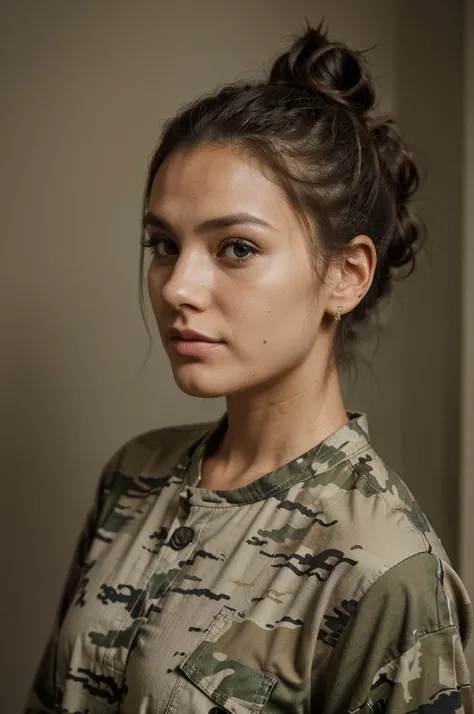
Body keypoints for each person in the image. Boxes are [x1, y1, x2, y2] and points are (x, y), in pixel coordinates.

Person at [24, 21, 472, 714]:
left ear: (346, 275)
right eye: (163, 244)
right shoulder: (134, 475)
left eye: (235, 248)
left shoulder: (384, 569)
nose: (177, 287)